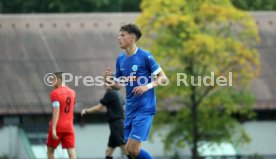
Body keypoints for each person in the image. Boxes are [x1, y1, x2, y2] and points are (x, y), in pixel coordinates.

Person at [104, 24, 168, 159]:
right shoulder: (120, 59)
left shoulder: (145, 56)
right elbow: (118, 86)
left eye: (122, 35)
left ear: (132, 38)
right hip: (130, 109)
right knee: (128, 150)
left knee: (133, 149)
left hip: (144, 108)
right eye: (119, 35)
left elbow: (163, 77)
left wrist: (147, 86)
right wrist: (110, 81)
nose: (118, 38)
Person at [80, 83, 131, 159]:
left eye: (106, 83)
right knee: (109, 151)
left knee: (125, 148)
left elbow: (98, 108)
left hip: (116, 125)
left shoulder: (110, 93)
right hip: (118, 123)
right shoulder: (117, 93)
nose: (104, 85)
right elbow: (124, 107)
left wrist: (86, 111)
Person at [46, 72, 77, 159]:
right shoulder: (72, 92)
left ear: (59, 80)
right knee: (71, 151)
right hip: (69, 127)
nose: (51, 83)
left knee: (50, 151)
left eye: (53, 80)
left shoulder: (55, 93)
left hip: (58, 126)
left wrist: (53, 128)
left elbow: (56, 109)